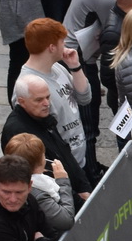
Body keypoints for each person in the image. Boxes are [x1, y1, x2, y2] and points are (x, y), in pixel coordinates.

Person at [15, 18, 93, 195]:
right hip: (63, 169)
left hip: (79, 156)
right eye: (62, 42)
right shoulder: (28, 86)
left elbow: (85, 98)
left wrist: (75, 66)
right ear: (52, 47)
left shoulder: (57, 68)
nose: (65, 45)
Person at [2, 73, 93, 201]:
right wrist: (76, 199)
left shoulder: (41, 116)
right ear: (22, 101)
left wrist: (84, 187)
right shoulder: (17, 132)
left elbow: (65, 153)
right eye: (39, 100)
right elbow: (43, 175)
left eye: (48, 97)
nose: (47, 103)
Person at [4, 134, 76, 237]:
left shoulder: (3, 181)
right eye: (43, 155)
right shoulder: (38, 193)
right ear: (41, 160)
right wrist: (63, 181)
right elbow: (66, 220)